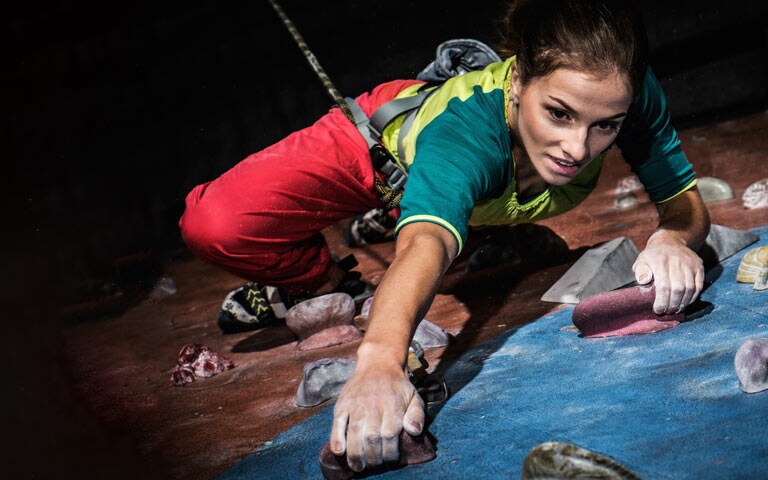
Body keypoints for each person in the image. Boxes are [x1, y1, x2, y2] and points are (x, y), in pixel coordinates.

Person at [179, 0, 710, 473]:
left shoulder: (625, 92)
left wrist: (672, 237)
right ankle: (320, 280)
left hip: (475, 196)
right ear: (521, 80)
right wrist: (381, 362)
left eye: (605, 127)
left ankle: (462, 226)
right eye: (559, 114)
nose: (577, 147)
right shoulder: (463, 135)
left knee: (460, 213)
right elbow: (425, 246)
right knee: (215, 223)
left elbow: (683, 203)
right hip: (382, 153)